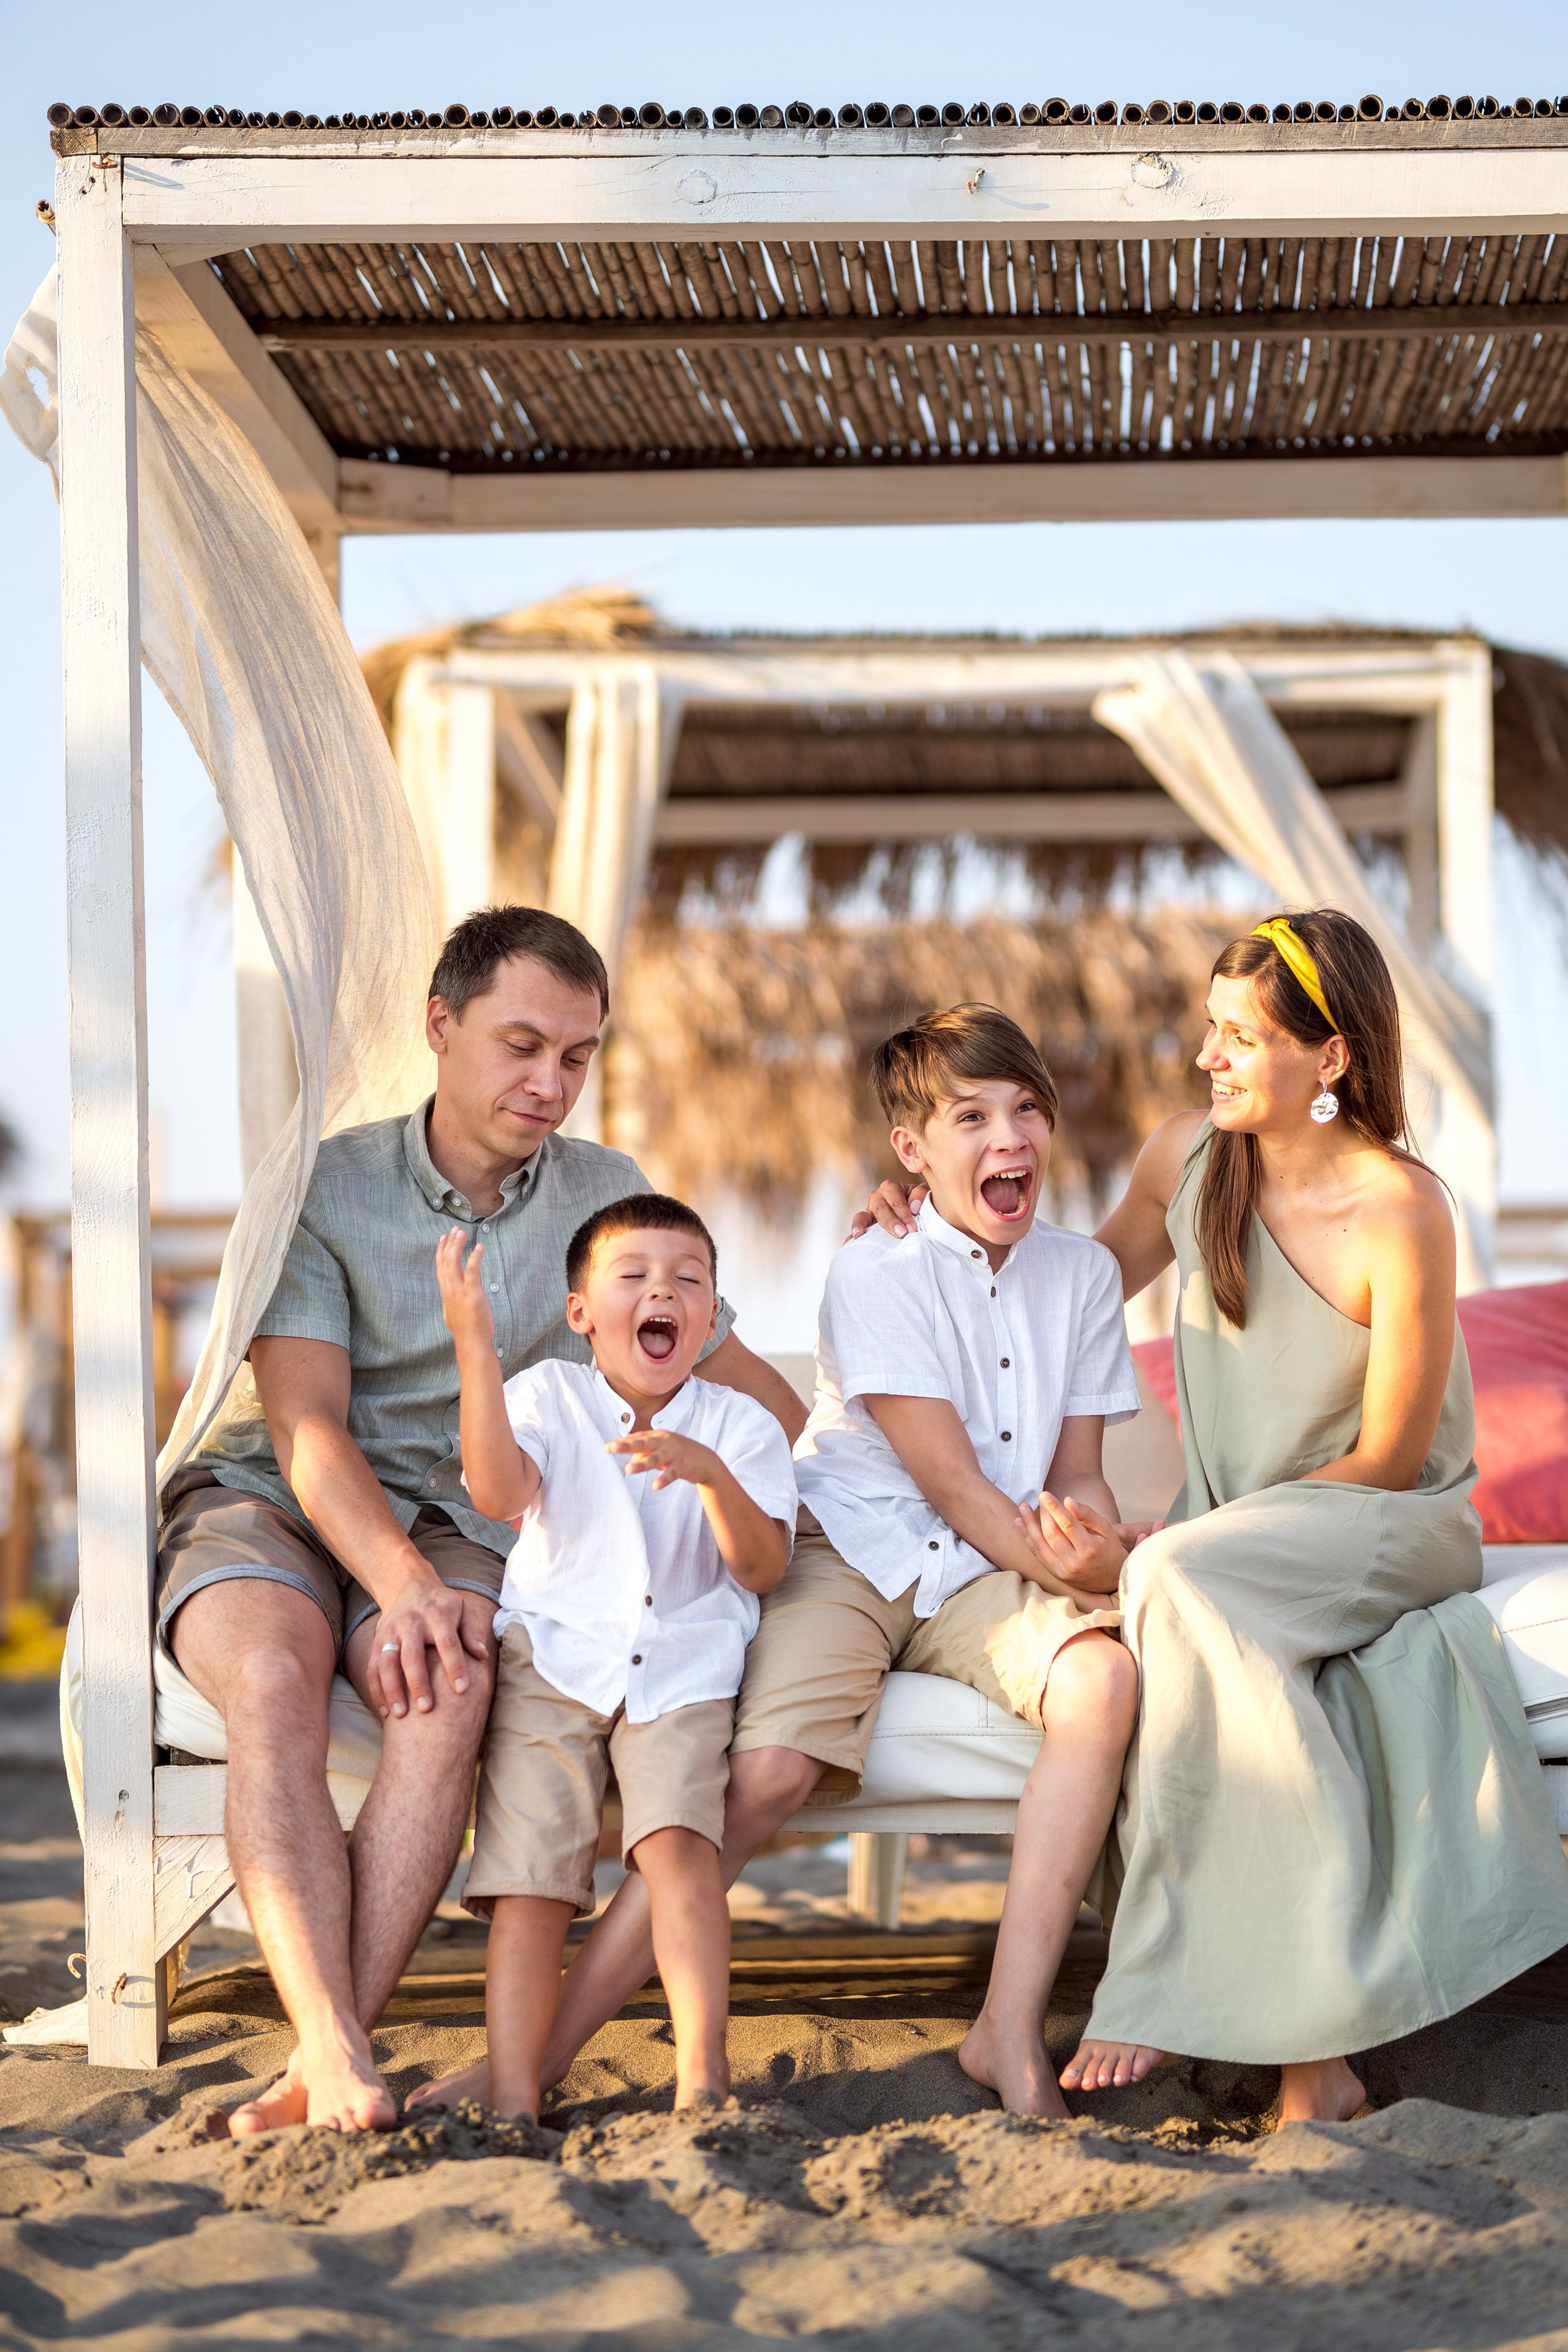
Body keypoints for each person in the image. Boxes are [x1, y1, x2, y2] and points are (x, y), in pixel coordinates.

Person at [417, 1001, 1144, 2120]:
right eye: (972, 1116)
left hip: (987, 1569)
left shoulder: (1085, 1278)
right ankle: (543, 2055)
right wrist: (1095, 1579)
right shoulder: (878, 1271)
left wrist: (1093, 1538)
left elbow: (1078, 1471)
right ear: (914, 1151)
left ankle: (1007, 2025)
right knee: (759, 1781)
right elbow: (947, 1487)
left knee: (1105, 1683)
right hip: (854, 1545)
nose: (1011, 1139)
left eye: (1028, 1112)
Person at [160, 905, 805, 2135]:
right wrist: (398, 1581)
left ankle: (325, 2053)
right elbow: (307, 1430)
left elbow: (744, 1391)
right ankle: (334, 2045)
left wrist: (883, 1263)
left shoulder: (610, 1199)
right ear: (439, 1028)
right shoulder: (321, 1185)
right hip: (279, 1496)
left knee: (446, 1687)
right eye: (520, 1045)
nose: (548, 1083)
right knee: (273, 1682)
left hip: (472, 1514)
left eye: (576, 1056)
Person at [1034, 910, 1568, 2122]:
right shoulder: (1184, 1161)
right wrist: (936, 1239)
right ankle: (1309, 2070)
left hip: (1384, 1522)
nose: (1204, 1059)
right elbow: (1064, 1289)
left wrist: (1181, 1544)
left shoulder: (1401, 1207)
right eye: (1206, 1032)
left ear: (1327, 1059)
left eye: (1238, 1037)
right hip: (1230, 1540)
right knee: (1184, 1597)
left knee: (1169, 1583)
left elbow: (1388, 1452)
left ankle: (1151, 1971)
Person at [435, 1191, 794, 2120]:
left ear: (711, 1316)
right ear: (582, 1312)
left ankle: (702, 2080)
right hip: (555, 1660)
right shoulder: (547, 1394)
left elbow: (760, 1568)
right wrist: (476, 1349)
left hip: (682, 1667)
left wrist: (708, 1474)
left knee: (679, 1847)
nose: (661, 1292)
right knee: (530, 1882)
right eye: (632, 1277)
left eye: (687, 1280)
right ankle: (515, 2092)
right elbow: (497, 1489)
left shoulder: (740, 1425)